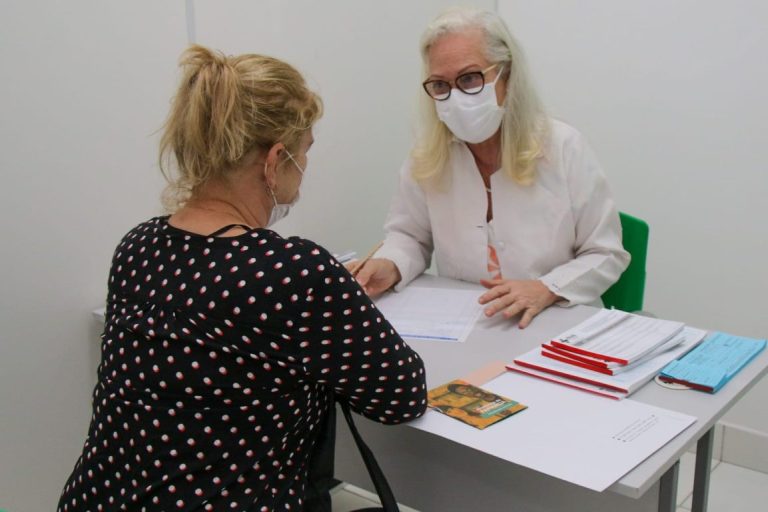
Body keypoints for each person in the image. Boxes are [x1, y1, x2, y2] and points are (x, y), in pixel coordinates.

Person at [58, 45, 427, 512]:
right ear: (275, 161)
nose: (305, 168)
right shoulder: (293, 272)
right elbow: (401, 394)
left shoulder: (136, 248)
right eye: (304, 151)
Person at [353, 7, 630, 328]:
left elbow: (606, 253)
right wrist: (390, 264)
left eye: (470, 78)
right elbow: (410, 236)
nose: (455, 96)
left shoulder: (563, 147)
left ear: (507, 75)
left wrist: (546, 288)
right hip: (468, 325)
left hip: (556, 322)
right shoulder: (427, 156)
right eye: (440, 85)